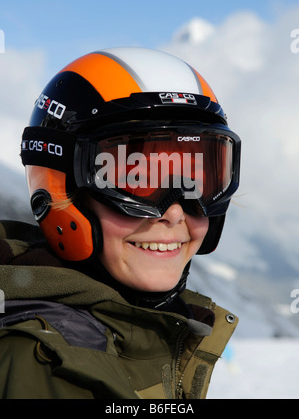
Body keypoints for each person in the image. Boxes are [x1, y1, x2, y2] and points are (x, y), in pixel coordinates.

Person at [0, 47, 241, 399]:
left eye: (198, 182)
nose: (174, 212)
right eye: (137, 178)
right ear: (62, 188)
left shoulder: (150, 331)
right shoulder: (43, 364)